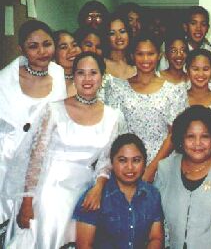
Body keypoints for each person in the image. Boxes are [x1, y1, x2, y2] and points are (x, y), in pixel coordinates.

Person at [6, 52, 126, 248]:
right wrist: (27, 202)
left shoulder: (113, 116)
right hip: (48, 191)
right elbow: (35, 159)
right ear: (73, 76)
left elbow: (106, 160)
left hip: (84, 191)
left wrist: (98, 187)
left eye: (93, 73)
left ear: (102, 77)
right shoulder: (54, 110)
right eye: (81, 73)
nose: (87, 79)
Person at [0, 20, 67, 231]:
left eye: (47, 44)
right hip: (7, 160)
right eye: (33, 46)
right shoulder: (4, 80)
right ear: (21, 49)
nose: (42, 51)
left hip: (45, 166)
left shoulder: (58, 74)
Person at [104, 34, 183, 182]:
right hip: (126, 166)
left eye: (150, 54)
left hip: (163, 165)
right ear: (133, 56)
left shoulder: (174, 91)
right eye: (140, 54)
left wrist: (152, 168)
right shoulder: (117, 87)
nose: (145, 59)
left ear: (159, 55)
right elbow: (112, 132)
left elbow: (175, 134)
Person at [154, 105, 211, 249]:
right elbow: (152, 215)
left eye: (205, 136)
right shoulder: (166, 168)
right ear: (181, 139)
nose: (197, 143)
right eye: (190, 136)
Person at [73, 133, 163, 248]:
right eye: (122, 160)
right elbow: (84, 245)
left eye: (136, 160)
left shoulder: (152, 194)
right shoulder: (94, 197)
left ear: (144, 162)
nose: (129, 167)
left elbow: (156, 238)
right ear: (112, 162)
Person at [104, 13, 136, 79]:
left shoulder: (137, 64)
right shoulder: (100, 64)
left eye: (122, 31)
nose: (118, 37)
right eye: (112, 33)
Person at [53, 30, 82, 97]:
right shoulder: (47, 82)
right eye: (64, 47)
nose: (72, 50)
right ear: (53, 53)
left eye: (74, 45)